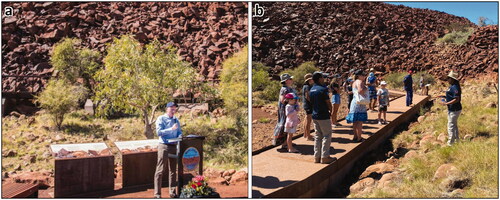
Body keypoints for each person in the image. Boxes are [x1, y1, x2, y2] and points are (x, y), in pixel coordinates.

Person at [154, 102, 182, 198]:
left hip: (174, 146)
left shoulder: (176, 120)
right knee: (160, 170)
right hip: (164, 146)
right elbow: (159, 132)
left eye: (175, 109)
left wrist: (180, 136)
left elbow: (179, 132)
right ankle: (157, 194)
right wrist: (171, 129)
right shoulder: (161, 118)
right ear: (167, 109)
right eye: (172, 108)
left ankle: (172, 192)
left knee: (173, 170)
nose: (173, 110)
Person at [309, 71, 337, 164]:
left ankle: (317, 157)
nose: (323, 79)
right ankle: (325, 157)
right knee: (327, 135)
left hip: (315, 115)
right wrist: (332, 111)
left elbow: (310, 101)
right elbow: (328, 102)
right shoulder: (323, 89)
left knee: (318, 136)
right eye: (322, 77)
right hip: (323, 115)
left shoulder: (311, 90)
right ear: (320, 78)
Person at [273, 73, 296, 147]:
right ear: (286, 81)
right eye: (290, 79)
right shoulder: (284, 89)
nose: (291, 80)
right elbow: (282, 100)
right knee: (285, 124)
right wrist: (290, 102)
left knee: (288, 124)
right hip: (285, 110)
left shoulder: (289, 88)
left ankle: (286, 142)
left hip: (288, 109)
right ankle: (284, 143)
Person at [440, 71, 462, 146]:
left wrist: (446, 103)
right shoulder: (452, 86)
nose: (447, 80)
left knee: (450, 126)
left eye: (448, 78)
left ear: (452, 79)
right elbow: (451, 96)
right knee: (454, 125)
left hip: (454, 109)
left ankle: (450, 143)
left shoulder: (455, 87)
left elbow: (456, 99)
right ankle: (456, 140)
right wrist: (443, 97)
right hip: (452, 109)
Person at [346, 70, 368, 142]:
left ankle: (355, 136)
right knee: (359, 121)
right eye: (363, 75)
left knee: (355, 121)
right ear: (359, 76)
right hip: (359, 103)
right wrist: (366, 88)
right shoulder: (360, 82)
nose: (364, 76)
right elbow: (360, 91)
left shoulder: (354, 82)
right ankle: (359, 138)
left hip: (354, 102)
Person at [302, 73, 314, 141]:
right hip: (308, 105)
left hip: (306, 105)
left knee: (306, 119)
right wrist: (312, 102)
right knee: (308, 120)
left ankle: (306, 134)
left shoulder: (305, 86)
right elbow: (307, 96)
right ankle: (308, 136)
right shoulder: (307, 87)